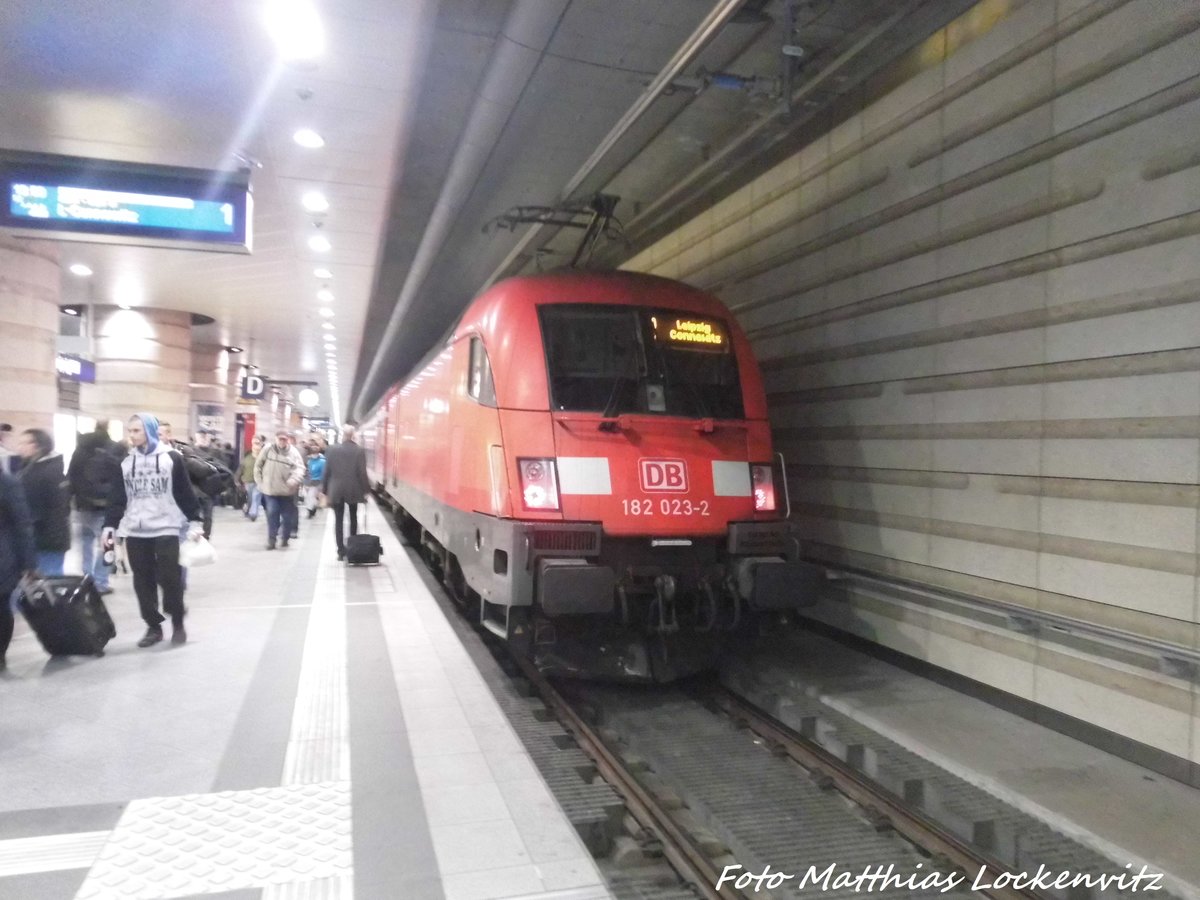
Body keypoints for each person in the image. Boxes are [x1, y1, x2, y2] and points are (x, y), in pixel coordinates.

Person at [102, 414, 203, 647]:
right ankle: (153, 626)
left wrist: (195, 521)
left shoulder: (171, 458)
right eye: (130, 431)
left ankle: (177, 621)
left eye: (137, 430)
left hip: (166, 527)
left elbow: (184, 492)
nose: (132, 435)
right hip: (136, 530)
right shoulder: (126, 462)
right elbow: (117, 497)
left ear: (149, 430)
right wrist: (109, 526)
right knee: (142, 581)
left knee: (170, 579)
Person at [66, 419, 122, 595]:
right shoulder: (113, 448)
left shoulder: (80, 448)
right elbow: (119, 479)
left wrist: (72, 500)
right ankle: (101, 582)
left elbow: (71, 475)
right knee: (108, 546)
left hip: (82, 506)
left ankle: (86, 579)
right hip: (104, 506)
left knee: (85, 542)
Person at [15, 428, 71, 576]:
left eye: (24, 443)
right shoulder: (28, 468)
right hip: (35, 536)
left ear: (38, 445)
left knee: (51, 581)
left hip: (49, 539)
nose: (20, 447)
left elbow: (58, 507)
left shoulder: (50, 471)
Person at [0, 470, 37, 672]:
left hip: (4, 557)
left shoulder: (7, 483)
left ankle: (0, 654)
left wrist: (29, 563)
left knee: (1, 607)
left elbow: (22, 523)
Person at [321, 425, 371, 562]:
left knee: (338, 520)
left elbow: (326, 472)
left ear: (342, 435)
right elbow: (362, 473)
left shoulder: (332, 450)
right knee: (353, 518)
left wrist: (324, 490)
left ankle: (340, 551)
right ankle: (352, 548)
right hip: (354, 490)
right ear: (353, 435)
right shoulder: (359, 451)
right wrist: (366, 490)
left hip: (336, 490)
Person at [254, 430, 304, 550]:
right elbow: (258, 466)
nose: (282, 441)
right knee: (272, 514)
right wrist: (260, 482)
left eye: (284, 439)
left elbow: (300, 468)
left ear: (288, 440)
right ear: (275, 439)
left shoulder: (293, 453)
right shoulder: (267, 449)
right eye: (280, 439)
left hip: (287, 492)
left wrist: (294, 479)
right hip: (270, 491)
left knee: (287, 518)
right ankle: (272, 540)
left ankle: (285, 538)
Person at [238, 434, 265, 521]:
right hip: (248, 481)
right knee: (250, 498)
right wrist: (237, 478)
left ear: (261, 444)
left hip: (260, 481)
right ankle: (249, 510)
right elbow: (241, 468)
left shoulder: (264, 456)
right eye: (254, 443)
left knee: (256, 496)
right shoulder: (247, 455)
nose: (256, 445)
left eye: (258, 443)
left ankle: (254, 513)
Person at [303, 444, 326, 519]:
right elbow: (305, 471)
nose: (314, 455)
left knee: (311, 496)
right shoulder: (308, 461)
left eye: (315, 453)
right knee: (307, 497)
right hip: (308, 481)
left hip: (317, 482)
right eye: (313, 453)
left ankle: (310, 511)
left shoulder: (322, 461)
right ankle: (313, 508)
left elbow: (324, 473)